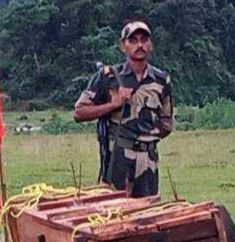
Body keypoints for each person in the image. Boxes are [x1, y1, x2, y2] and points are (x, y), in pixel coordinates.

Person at [72, 21, 176, 198]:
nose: (139, 45)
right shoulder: (108, 77)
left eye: (144, 40)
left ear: (150, 45)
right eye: (133, 40)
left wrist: (147, 138)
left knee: (147, 214)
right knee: (113, 211)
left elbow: (166, 123)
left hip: (148, 159)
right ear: (123, 46)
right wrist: (114, 104)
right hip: (118, 156)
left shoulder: (161, 80)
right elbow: (79, 112)